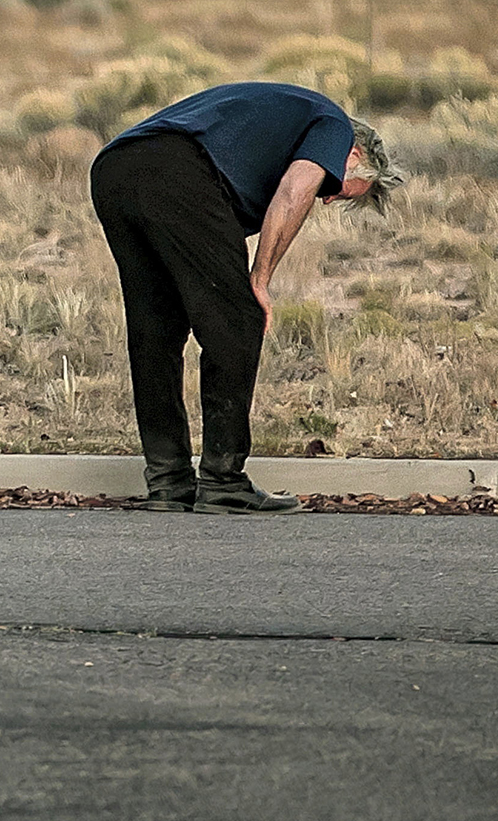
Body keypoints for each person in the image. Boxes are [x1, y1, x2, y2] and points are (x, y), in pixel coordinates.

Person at [88, 81, 405, 514]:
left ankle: (168, 484)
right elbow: (295, 191)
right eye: (338, 188)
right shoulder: (333, 126)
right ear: (355, 155)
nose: (327, 197)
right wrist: (260, 278)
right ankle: (223, 482)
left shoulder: (281, 121)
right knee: (238, 321)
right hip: (177, 169)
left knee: (156, 333)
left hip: (115, 169)